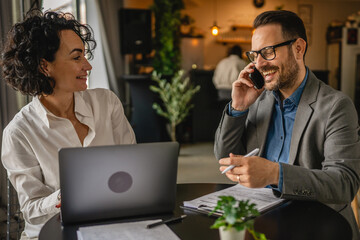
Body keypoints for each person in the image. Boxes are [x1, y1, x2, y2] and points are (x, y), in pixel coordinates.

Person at [214, 10, 360, 239]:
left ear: (299, 48)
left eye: (268, 52)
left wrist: (276, 174)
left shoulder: (336, 106)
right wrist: (238, 108)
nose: (259, 64)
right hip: (262, 221)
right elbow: (225, 159)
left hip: (318, 225)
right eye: (255, 55)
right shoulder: (257, 99)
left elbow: (344, 184)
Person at [1, 10, 136, 239]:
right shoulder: (19, 132)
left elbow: (133, 167)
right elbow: (31, 210)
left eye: (84, 56)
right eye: (76, 58)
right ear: (45, 66)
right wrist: (65, 196)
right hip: (53, 233)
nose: (87, 66)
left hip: (108, 224)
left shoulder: (107, 102)